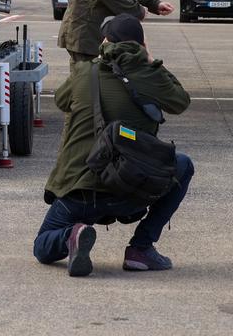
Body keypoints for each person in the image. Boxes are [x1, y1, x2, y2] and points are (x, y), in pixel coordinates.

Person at [35, 14, 193, 276]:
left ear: (106, 41)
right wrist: (151, 63)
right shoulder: (150, 75)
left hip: (80, 190)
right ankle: (140, 249)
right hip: (131, 189)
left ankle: (72, 235)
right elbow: (180, 100)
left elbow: (62, 102)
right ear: (141, 44)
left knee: (42, 246)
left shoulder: (85, 72)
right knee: (183, 165)